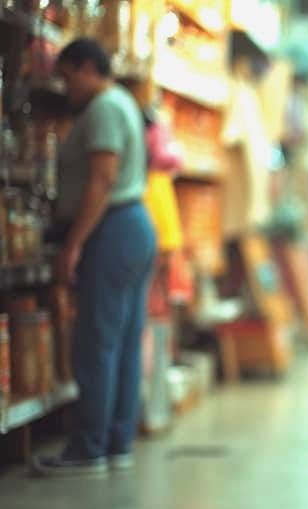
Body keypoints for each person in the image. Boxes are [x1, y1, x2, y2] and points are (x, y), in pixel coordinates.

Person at [33, 39, 156, 476]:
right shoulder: (124, 101)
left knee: (97, 342)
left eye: (67, 77)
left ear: (88, 67)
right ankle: (115, 442)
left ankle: (88, 447)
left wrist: (74, 244)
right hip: (133, 226)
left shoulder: (103, 108)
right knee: (122, 340)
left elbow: (102, 179)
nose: (65, 89)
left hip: (112, 229)